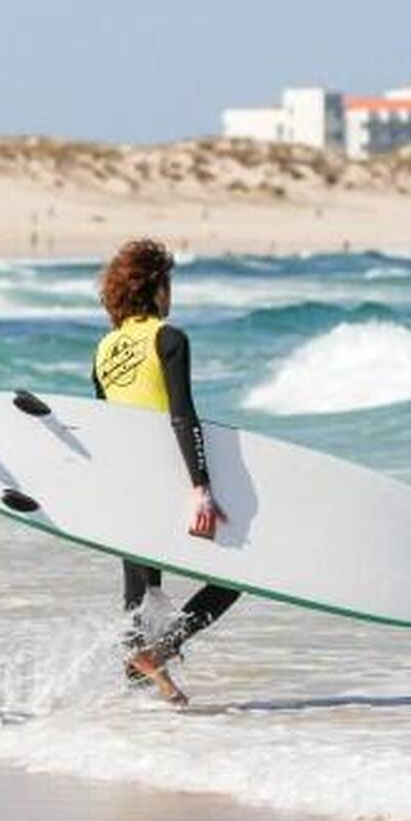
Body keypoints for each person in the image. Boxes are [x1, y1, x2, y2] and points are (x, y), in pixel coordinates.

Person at [92, 238, 239, 707]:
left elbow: (107, 425)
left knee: (140, 593)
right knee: (234, 575)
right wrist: (201, 488)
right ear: (155, 286)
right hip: (166, 480)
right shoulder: (168, 338)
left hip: (123, 482)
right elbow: (182, 415)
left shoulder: (104, 350)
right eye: (168, 282)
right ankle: (165, 648)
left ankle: (140, 706)